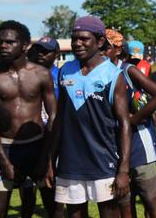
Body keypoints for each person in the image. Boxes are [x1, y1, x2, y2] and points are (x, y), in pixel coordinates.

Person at [50, 16, 130, 218]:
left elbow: (124, 124)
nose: (77, 43)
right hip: (69, 163)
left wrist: (123, 170)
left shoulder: (113, 75)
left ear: (100, 41)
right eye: (74, 38)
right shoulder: (64, 71)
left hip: (103, 162)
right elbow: (59, 119)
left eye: (84, 39)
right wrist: (51, 159)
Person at [103, 30, 156, 218]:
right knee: (124, 199)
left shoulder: (127, 70)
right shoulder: (98, 74)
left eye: (106, 48)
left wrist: (133, 120)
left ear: (117, 50)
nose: (102, 52)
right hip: (113, 145)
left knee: (150, 199)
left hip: (139, 144)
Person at [0, 21, 56, 218]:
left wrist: (46, 158)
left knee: (51, 205)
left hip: (37, 146)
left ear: (24, 45)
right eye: (0, 42)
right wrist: (4, 162)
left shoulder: (41, 74)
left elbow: (54, 116)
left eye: (9, 42)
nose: (3, 46)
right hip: (4, 148)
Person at [26, 36, 64, 217]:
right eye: (38, 50)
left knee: (53, 194)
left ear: (56, 54)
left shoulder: (62, 76)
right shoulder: (29, 74)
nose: (41, 54)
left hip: (55, 139)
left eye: (46, 51)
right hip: (31, 137)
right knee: (27, 193)